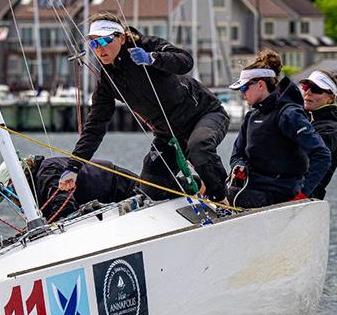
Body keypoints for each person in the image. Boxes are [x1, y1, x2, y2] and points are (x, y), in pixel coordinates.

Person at [58, 12, 230, 204]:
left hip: (204, 114)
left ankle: (222, 200)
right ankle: (197, 187)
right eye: (94, 44)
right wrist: (74, 167)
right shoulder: (107, 82)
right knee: (151, 187)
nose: (100, 49)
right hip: (168, 135)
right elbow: (95, 127)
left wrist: (152, 58)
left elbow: (185, 61)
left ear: (121, 38)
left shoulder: (146, 46)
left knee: (199, 149)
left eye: (105, 41)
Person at [227, 50, 331, 208]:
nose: (243, 94)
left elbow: (322, 155)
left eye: (244, 89)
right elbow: (237, 154)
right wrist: (239, 165)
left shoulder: (289, 115)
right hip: (251, 187)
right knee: (205, 185)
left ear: (260, 85)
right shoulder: (251, 116)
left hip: (279, 193)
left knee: (218, 194)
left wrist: (303, 194)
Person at [0, 154, 138, 221]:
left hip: (123, 187)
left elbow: (64, 205)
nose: (13, 200)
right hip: (112, 197)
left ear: (21, 180)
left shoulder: (46, 172)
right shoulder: (39, 184)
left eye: (11, 193)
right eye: (8, 197)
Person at [299, 70, 337, 199]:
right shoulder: (306, 120)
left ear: (330, 98)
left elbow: (308, 164)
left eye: (316, 89)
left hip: (304, 196)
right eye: (306, 87)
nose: (308, 92)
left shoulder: (331, 130)